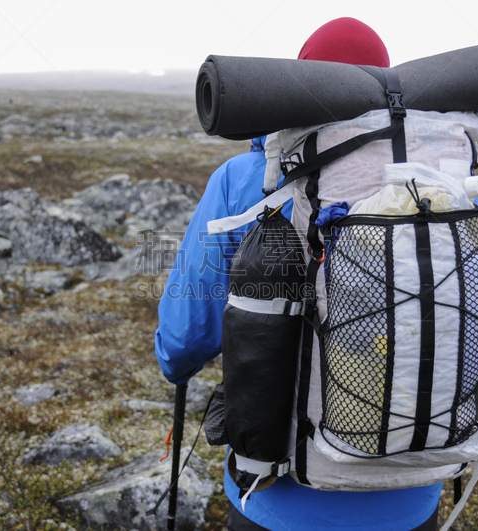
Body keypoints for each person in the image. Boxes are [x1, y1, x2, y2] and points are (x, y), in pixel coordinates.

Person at [155, 17, 442, 531]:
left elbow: (186, 334)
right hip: (410, 492)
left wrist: (175, 366)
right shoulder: (438, 177)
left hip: (276, 499)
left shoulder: (244, 179)